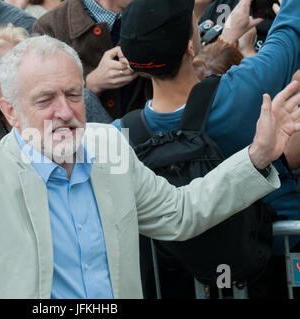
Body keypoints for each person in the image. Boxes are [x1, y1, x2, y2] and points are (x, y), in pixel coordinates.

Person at [0, 34, 300, 299]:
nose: (64, 111)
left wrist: (259, 156)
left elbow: (181, 213)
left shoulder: (109, 146)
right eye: (44, 100)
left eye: (71, 94)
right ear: (8, 110)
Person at [116, 0, 299, 298]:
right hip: (275, 264)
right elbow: (290, 32)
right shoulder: (244, 89)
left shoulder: (121, 136)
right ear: (191, 46)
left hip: (187, 280)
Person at [33, 0, 149, 119]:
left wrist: (153, 69)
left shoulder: (159, 13)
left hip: (154, 134)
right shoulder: (49, 26)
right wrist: (92, 83)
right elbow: (43, 105)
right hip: (84, 136)